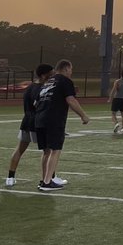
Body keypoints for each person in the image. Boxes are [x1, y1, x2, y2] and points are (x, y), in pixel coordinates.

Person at [33, 59, 90, 192]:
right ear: (65, 69)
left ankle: (44, 180)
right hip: (53, 119)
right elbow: (71, 100)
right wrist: (83, 115)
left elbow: (36, 102)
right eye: (70, 70)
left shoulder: (47, 82)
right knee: (55, 150)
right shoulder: (65, 81)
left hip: (39, 119)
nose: (71, 72)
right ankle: (47, 182)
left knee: (46, 151)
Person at [5, 64, 53, 187]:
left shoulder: (29, 87)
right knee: (48, 151)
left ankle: (10, 178)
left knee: (19, 150)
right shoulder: (42, 88)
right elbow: (40, 106)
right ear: (43, 75)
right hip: (37, 122)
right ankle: (49, 178)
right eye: (50, 74)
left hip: (26, 121)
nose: (52, 76)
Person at [108, 69, 123, 134]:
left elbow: (113, 90)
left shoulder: (117, 81)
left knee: (113, 113)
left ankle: (116, 123)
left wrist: (110, 98)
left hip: (116, 99)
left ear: (121, 74)